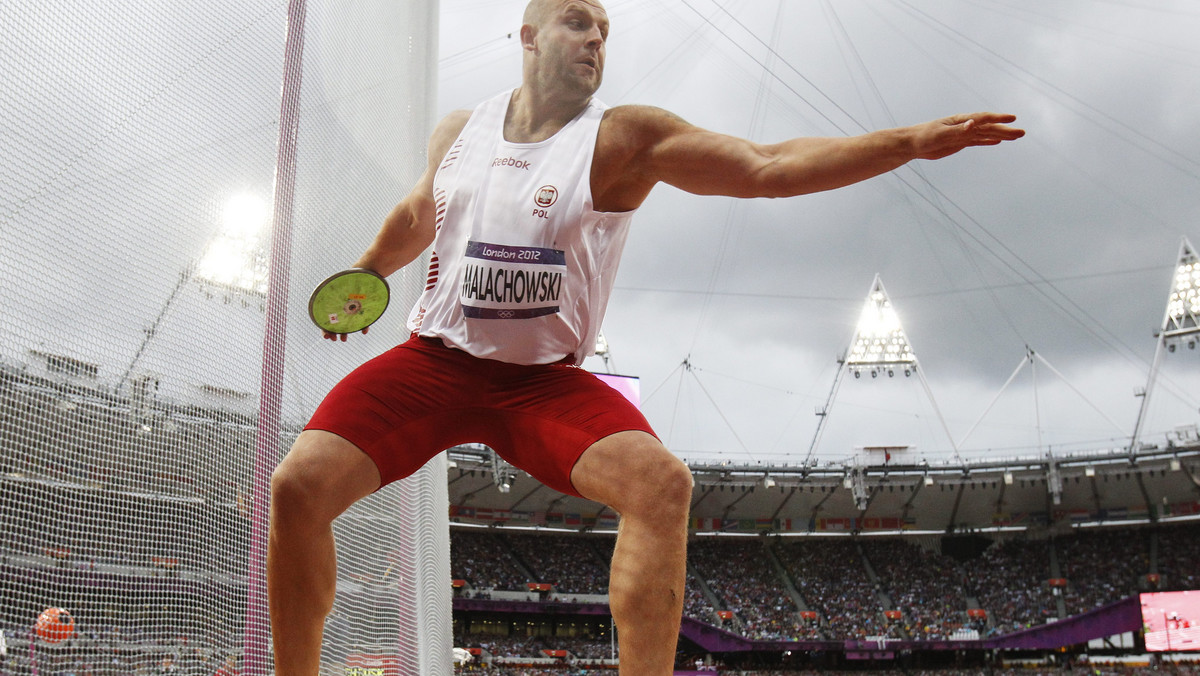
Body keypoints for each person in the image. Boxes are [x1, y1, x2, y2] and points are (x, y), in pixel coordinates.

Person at [266, 0, 1025, 673]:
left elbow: (769, 167)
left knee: (662, 484)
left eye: (605, 29)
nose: (596, 38)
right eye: (577, 21)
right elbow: (421, 213)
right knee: (297, 486)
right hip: (434, 365)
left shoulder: (625, 139)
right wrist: (366, 274)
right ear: (527, 36)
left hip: (542, 386)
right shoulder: (459, 132)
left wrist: (909, 141)